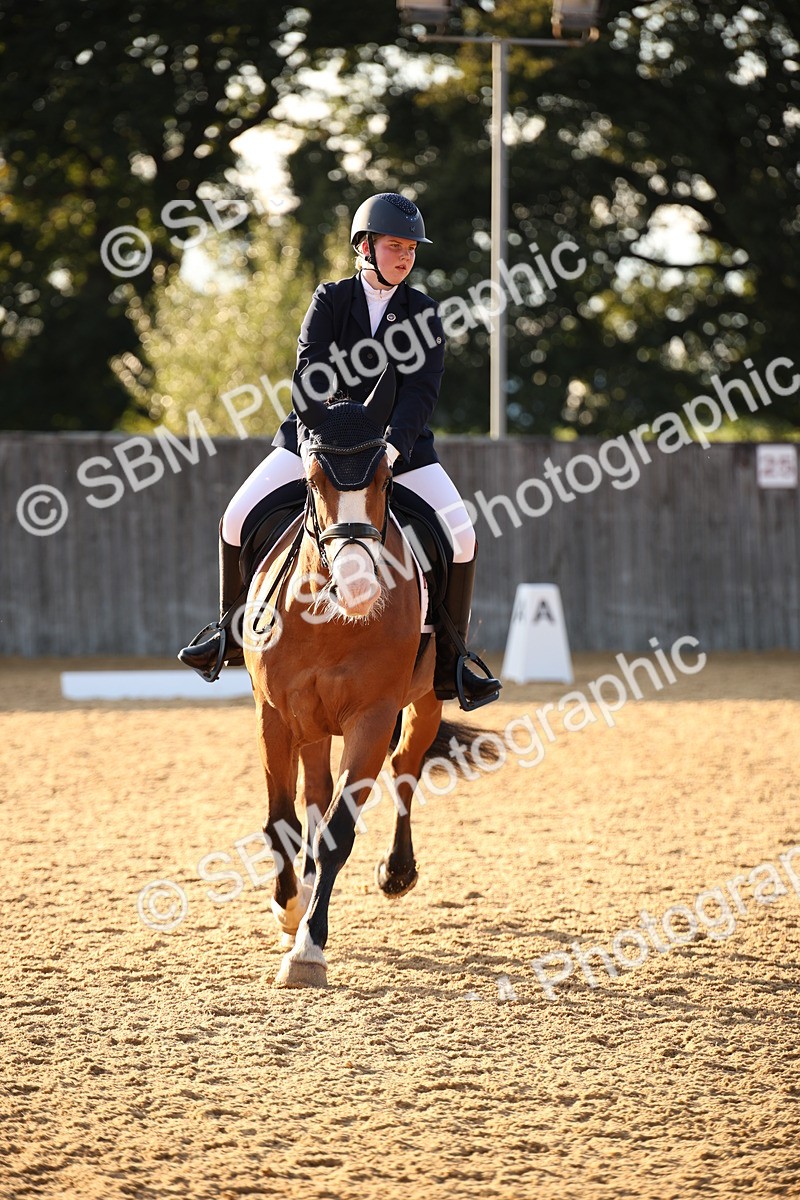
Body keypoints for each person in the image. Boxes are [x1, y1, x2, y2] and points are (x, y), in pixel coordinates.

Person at [178, 192, 501, 709]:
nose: (405, 257)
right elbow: (309, 374)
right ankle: (229, 636)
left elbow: (422, 392)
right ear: (365, 247)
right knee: (235, 518)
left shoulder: (423, 312)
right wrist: (320, 440)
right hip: (319, 439)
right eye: (395, 246)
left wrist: (392, 447)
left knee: (462, 537)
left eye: (411, 249)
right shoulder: (330, 299)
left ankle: (452, 662)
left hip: (399, 449)